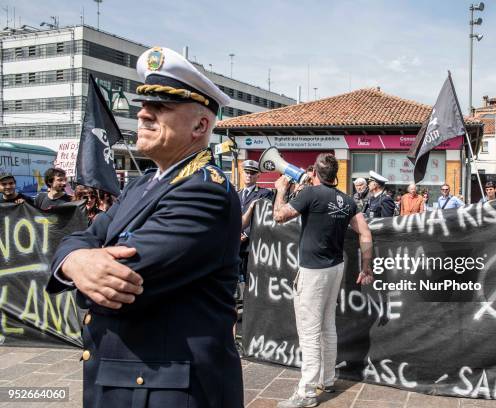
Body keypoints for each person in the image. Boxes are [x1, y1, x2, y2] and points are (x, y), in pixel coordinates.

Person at [45, 47, 243, 407]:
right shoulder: (142, 184)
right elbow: (80, 237)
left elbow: (119, 283)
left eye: (161, 107)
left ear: (200, 126)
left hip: (168, 392)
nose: (143, 114)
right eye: (143, 105)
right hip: (128, 380)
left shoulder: (204, 190)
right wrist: (75, 261)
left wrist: (82, 261)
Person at [272, 153, 373, 408]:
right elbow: (366, 233)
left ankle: (306, 393)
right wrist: (366, 267)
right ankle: (327, 379)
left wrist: (281, 191)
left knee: (309, 333)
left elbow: (279, 216)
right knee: (328, 326)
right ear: (335, 174)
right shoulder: (348, 201)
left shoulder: (310, 195)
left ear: (315, 173)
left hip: (313, 272)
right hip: (335, 269)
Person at [237, 160, 273, 292]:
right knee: (237, 275)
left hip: (253, 244)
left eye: (252, 173)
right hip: (236, 244)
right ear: (242, 173)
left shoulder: (265, 193)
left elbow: (264, 219)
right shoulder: (237, 194)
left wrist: (246, 234)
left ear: (258, 176)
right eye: (247, 172)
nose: (249, 175)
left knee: (251, 276)